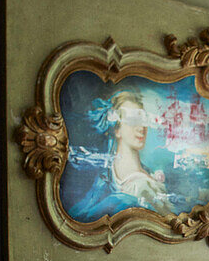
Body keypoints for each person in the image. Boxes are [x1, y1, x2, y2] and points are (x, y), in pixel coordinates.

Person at [64, 89, 173, 221]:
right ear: (117, 130)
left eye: (143, 120)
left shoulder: (139, 173)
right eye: (133, 120)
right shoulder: (138, 186)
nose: (141, 127)